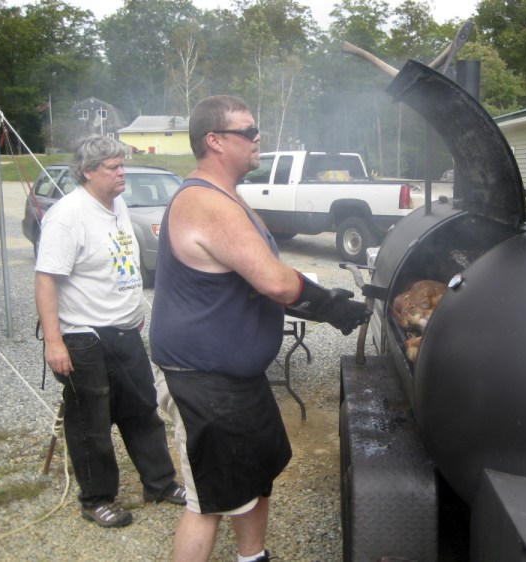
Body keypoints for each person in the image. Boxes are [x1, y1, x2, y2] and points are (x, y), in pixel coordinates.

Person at [149, 95, 370, 562]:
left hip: (238, 378)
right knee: (206, 502)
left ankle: (253, 557)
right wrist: (328, 305)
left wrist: (318, 297)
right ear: (214, 141)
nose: (258, 138)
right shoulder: (203, 201)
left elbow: (264, 274)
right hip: (200, 381)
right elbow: (274, 281)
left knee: (256, 474)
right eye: (248, 132)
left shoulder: (231, 197)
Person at [35, 135, 186, 528]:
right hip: (83, 336)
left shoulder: (116, 204)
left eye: (122, 165)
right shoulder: (68, 215)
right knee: (92, 424)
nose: (123, 174)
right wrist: (54, 342)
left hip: (125, 330)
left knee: (142, 411)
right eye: (113, 168)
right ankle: (97, 498)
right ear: (87, 172)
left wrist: (133, 310)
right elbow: (46, 279)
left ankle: (160, 483)